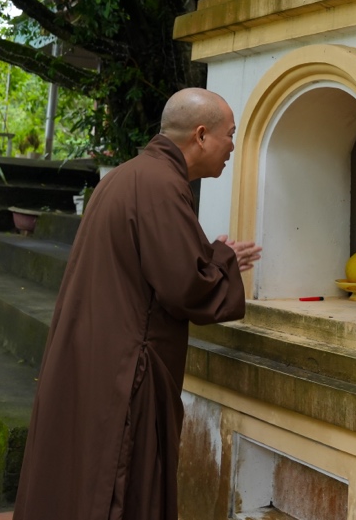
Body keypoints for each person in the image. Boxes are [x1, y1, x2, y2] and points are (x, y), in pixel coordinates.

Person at [14, 88, 261, 520]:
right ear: (201, 136)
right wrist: (223, 261)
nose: (233, 147)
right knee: (121, 485)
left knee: (83, 475)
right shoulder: (162, 185)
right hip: (129, 366)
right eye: (230, 135)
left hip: (96, 353)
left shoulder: (127, 176)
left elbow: (152, 261)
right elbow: (185, 287)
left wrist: (208, 255)